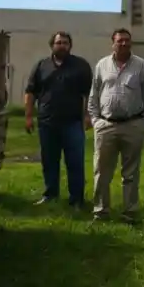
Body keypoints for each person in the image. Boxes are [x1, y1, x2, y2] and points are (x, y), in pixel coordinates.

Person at [87, 28, 144, 223]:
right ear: (113, 43)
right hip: (106, 125)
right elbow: (94, 94)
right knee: (101, 172)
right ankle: (101, 211)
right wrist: (95, 120)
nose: (124, 43)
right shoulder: (102, 65)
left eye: (127, 40)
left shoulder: (140, 65)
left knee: (131, 173)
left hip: (133, 125)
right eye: (120, 41)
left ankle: (130, 212)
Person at [24, 32, 93, 208]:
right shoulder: (41, 66)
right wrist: (29, 116)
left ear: (70, 45)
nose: (62, 45)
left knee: (75, 162)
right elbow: (31, 91)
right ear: (52, 45)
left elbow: (89, 93)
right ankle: (50, 194)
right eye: (58, 42)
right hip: (47, 123)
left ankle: (76, 199)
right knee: (49, 161)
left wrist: (87, 115)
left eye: (65, 42)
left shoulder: (81, 66)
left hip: (72, 122)